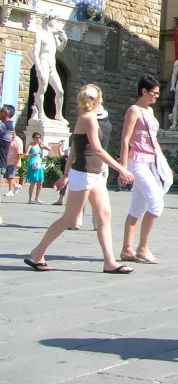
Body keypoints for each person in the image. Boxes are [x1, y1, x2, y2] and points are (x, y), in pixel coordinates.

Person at [24, 84, 135, 273]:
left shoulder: (88, 117)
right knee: (70, 218)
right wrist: (121, 169)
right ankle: (37, 253)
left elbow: (75, 148)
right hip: (84, 174)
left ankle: (109, 262)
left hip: (94, 174)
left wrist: (66, 174)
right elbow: (97, 149)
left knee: (104, 215)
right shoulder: (88, 118)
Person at [119, 75, 167, 264]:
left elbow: (153, 140)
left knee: (137, 208)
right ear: (144, 91)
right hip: (136, 161)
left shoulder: (150, 111)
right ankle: (143, 248)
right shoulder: (134, 110)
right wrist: (123, 168)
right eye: (154, 93)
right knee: (156, 203)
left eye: (158, 93)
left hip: (149, 161)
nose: (157, 96)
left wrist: (162, 161)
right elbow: (125, 140)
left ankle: (126, 250)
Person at [32, 14, 69, 123]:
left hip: (52, 65)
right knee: (43, 88)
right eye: (55, 19)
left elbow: (60, 49)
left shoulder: (54, 35)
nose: (56, 21)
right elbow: (35, 53)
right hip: (44, 62)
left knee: (60, 91)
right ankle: (41, 113)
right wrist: (38, 68)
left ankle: (58, 114)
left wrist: (65, 40)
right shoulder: (40, 34)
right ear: (48, 19)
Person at [26, 133, 49, 204]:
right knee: (33, 182)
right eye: (36, 137)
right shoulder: (30, 145)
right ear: (33, 138)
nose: (38, 139)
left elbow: (49, 149)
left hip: (39, 164)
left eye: (39, 137)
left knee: (40, 182)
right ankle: (30, 199)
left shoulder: (40, 145)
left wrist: (43, 144)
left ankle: (37, 198)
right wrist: (32, 154)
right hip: (33, 163)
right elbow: (26, 155)